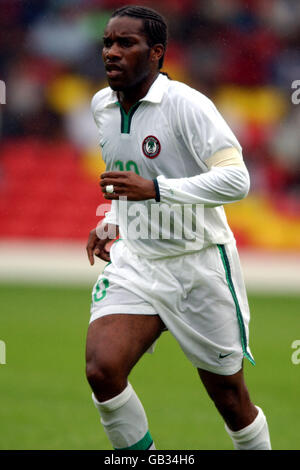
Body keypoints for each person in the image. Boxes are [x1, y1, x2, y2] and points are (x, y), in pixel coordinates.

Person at [85, 5, 271, 451]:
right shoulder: (101, 107)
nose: (112, 52)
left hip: (200, 263)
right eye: (108, 42)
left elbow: (237, 180)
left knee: (230, 398)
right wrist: (113, 220)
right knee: (102, 369)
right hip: (140, 261)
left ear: (156, 53)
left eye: (126, 43)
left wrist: (155, 190)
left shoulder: (188, 106)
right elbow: (131, 175)